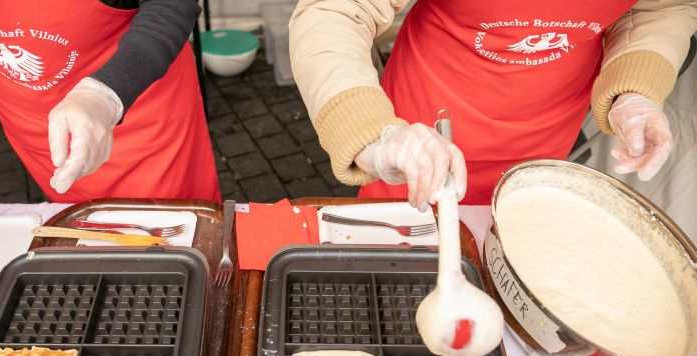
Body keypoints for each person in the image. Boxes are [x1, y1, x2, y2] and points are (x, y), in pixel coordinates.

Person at [289, 0, 697, 209]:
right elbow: (337, 11)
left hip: (547, 125)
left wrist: (636, 88)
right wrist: (368, 130)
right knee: (401, 247)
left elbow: (658, 8)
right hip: (423, 123)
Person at [0, 0, 219, 203]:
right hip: (31, 114)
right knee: (84, 230)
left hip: (137, 97)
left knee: (180, 235)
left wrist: (106, 93)